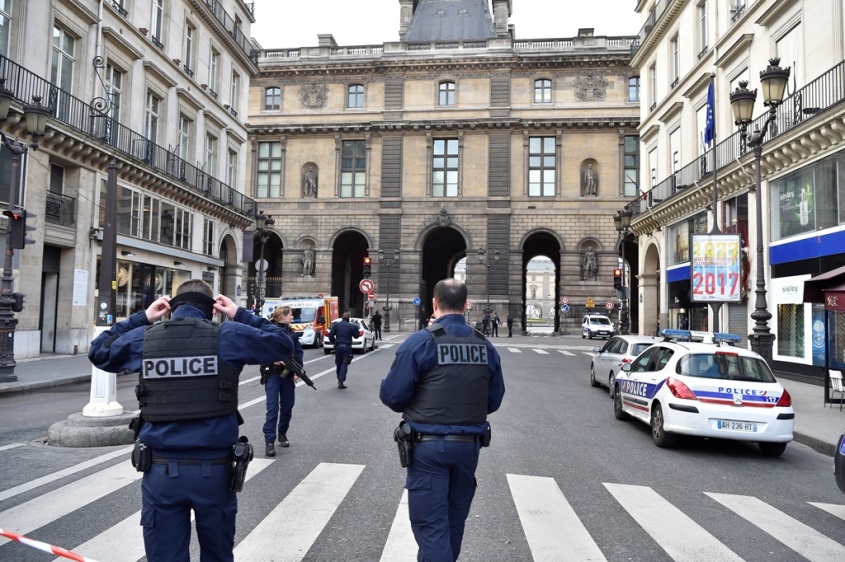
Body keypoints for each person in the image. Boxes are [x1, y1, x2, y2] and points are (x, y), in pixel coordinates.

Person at [88, 279, 294, 562]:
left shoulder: (146, 337)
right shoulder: (227, 335)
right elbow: (283, 343)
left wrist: (143, 317)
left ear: (171, 308)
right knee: (217, 556)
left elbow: (98, 351)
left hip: (161, 473)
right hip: (215, 474)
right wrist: (239, 313)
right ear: (213, 309)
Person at [380, 278, 505, 562]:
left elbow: (393, 396)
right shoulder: (484, 345)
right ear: (466, 305)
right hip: (468, 447)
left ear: (434, 304)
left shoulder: (421, 342)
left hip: (428, 449)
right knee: (453, 524)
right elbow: (494, 400)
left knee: (432, 528)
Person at [261, 306, 304, 457]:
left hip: (288, 376)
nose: (292, 317)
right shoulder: (268, 331)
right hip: (272, 374)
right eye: (290, 314)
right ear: (282, 316)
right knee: (272, 408)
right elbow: (260, 352)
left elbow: (298, 353)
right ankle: (269, 441)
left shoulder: (291, 333)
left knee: (287, 407)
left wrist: (298, 371)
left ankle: (282, 433)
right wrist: (272, 360)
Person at [328, 312, 359, 389]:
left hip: (338, 346)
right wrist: (356, 327)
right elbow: (356, 336)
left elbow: (330, 335)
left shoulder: (336, 325)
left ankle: (339, 378)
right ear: (349, 318)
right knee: (345, 362)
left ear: (342, 317)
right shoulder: (351, 326)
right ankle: (341, 380)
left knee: (338, 363)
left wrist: (334, 342)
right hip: (347, 347)